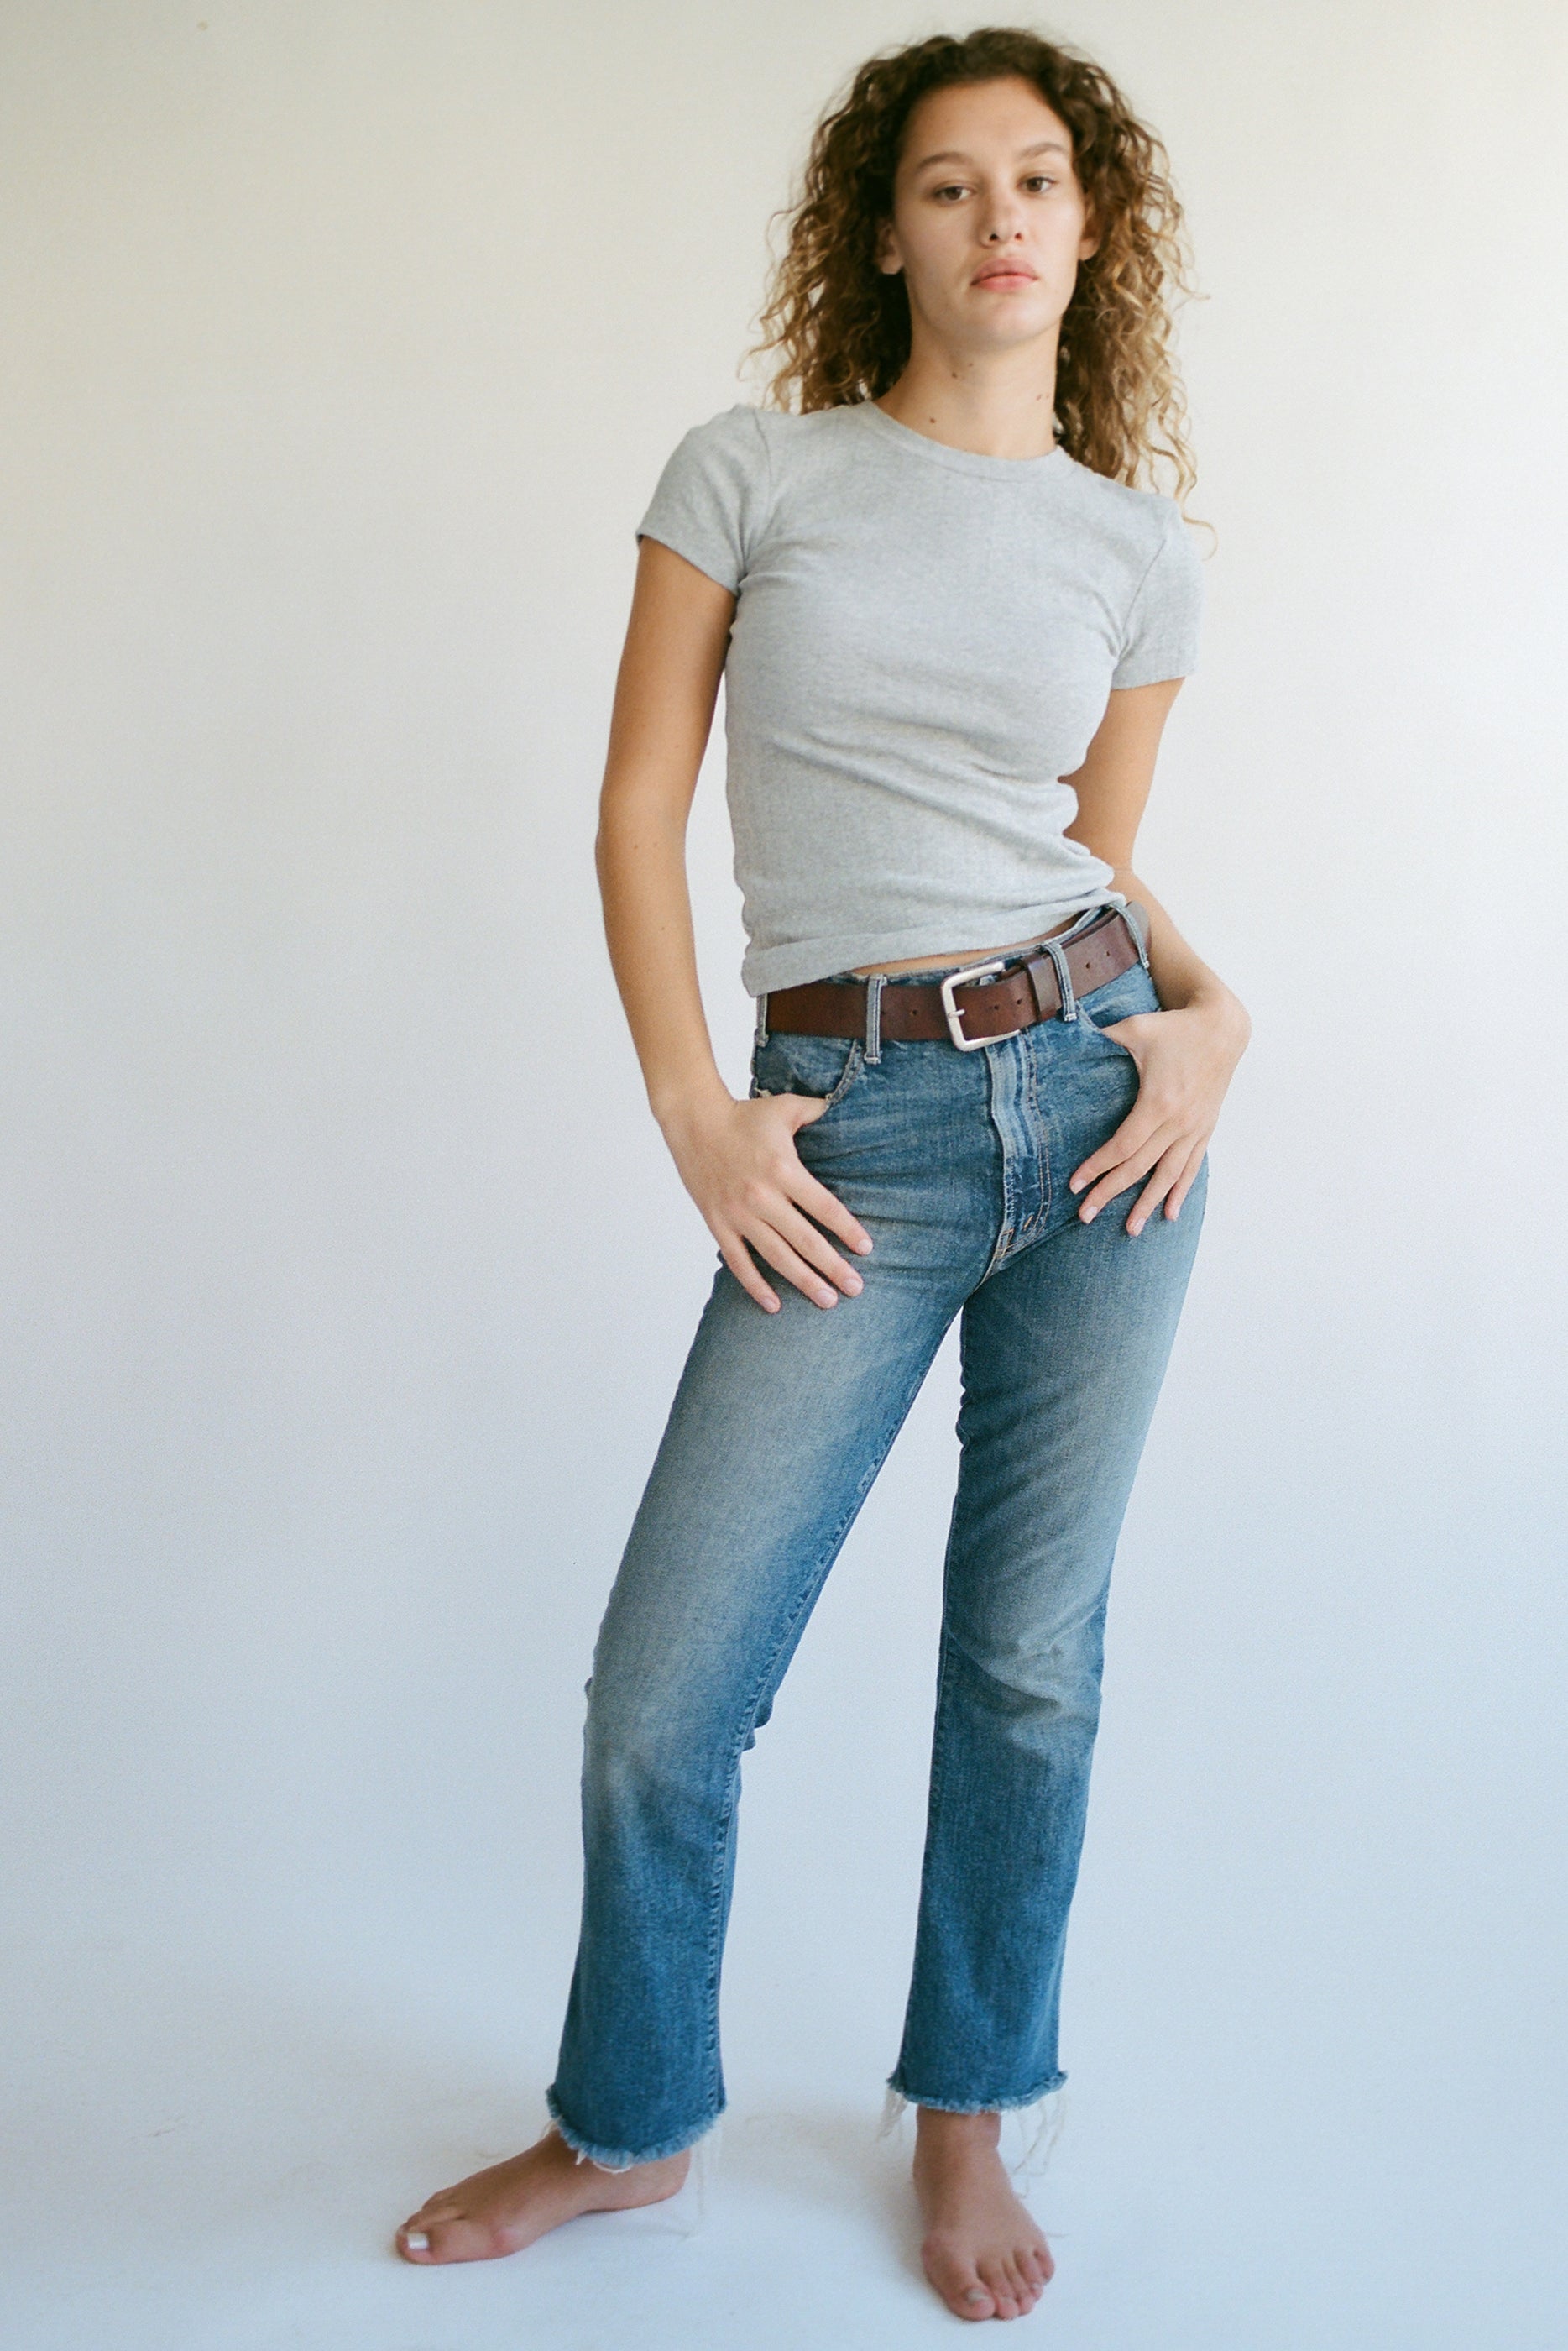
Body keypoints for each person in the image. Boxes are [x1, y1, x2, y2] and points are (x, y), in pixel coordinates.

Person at [396, 25, 1250, 2324]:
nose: (998, 219)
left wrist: (1218, 1021)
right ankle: (629, 2126)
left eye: (1038, 182)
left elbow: (1093, 862)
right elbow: (630, 813)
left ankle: (968, 2115)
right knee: (668, 1683)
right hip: (835, 1131)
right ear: (883, 227)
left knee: (1028, 1666)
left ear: (1090, 230)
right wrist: (692, 1106)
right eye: (952, 183)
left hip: (1095, 1115)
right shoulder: (750, 471)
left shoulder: (1132, 548)